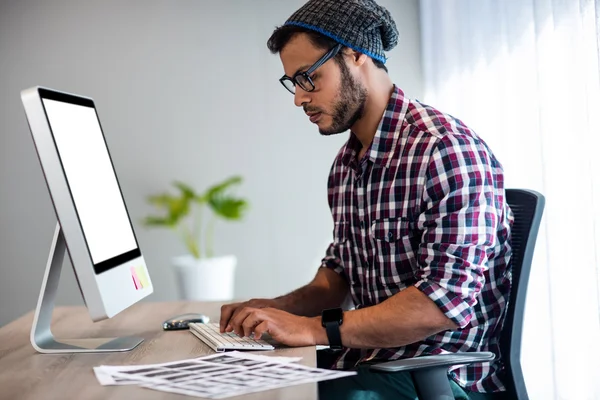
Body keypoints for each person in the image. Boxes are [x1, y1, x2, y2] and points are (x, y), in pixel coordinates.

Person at [219, 0, 513, 399]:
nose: (299, 98)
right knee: (239, 381)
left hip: (439, 381)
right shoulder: (346, 165)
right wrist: (273, 310)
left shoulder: (444, 151)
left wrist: (310, 329)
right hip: (369, 364)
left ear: (355, 54)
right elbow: (337, 276)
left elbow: (443, 303)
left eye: (310, 77)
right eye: (293, 82)